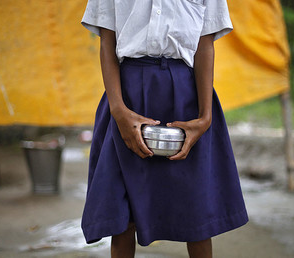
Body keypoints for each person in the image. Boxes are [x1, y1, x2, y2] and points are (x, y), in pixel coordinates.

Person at [80, 1, 248, 257]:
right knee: (122, 216)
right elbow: (107, 41)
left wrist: (204, 117)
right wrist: (118, 110)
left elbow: (205, 44)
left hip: (185, 97)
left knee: (197, 211)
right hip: (127, 96)